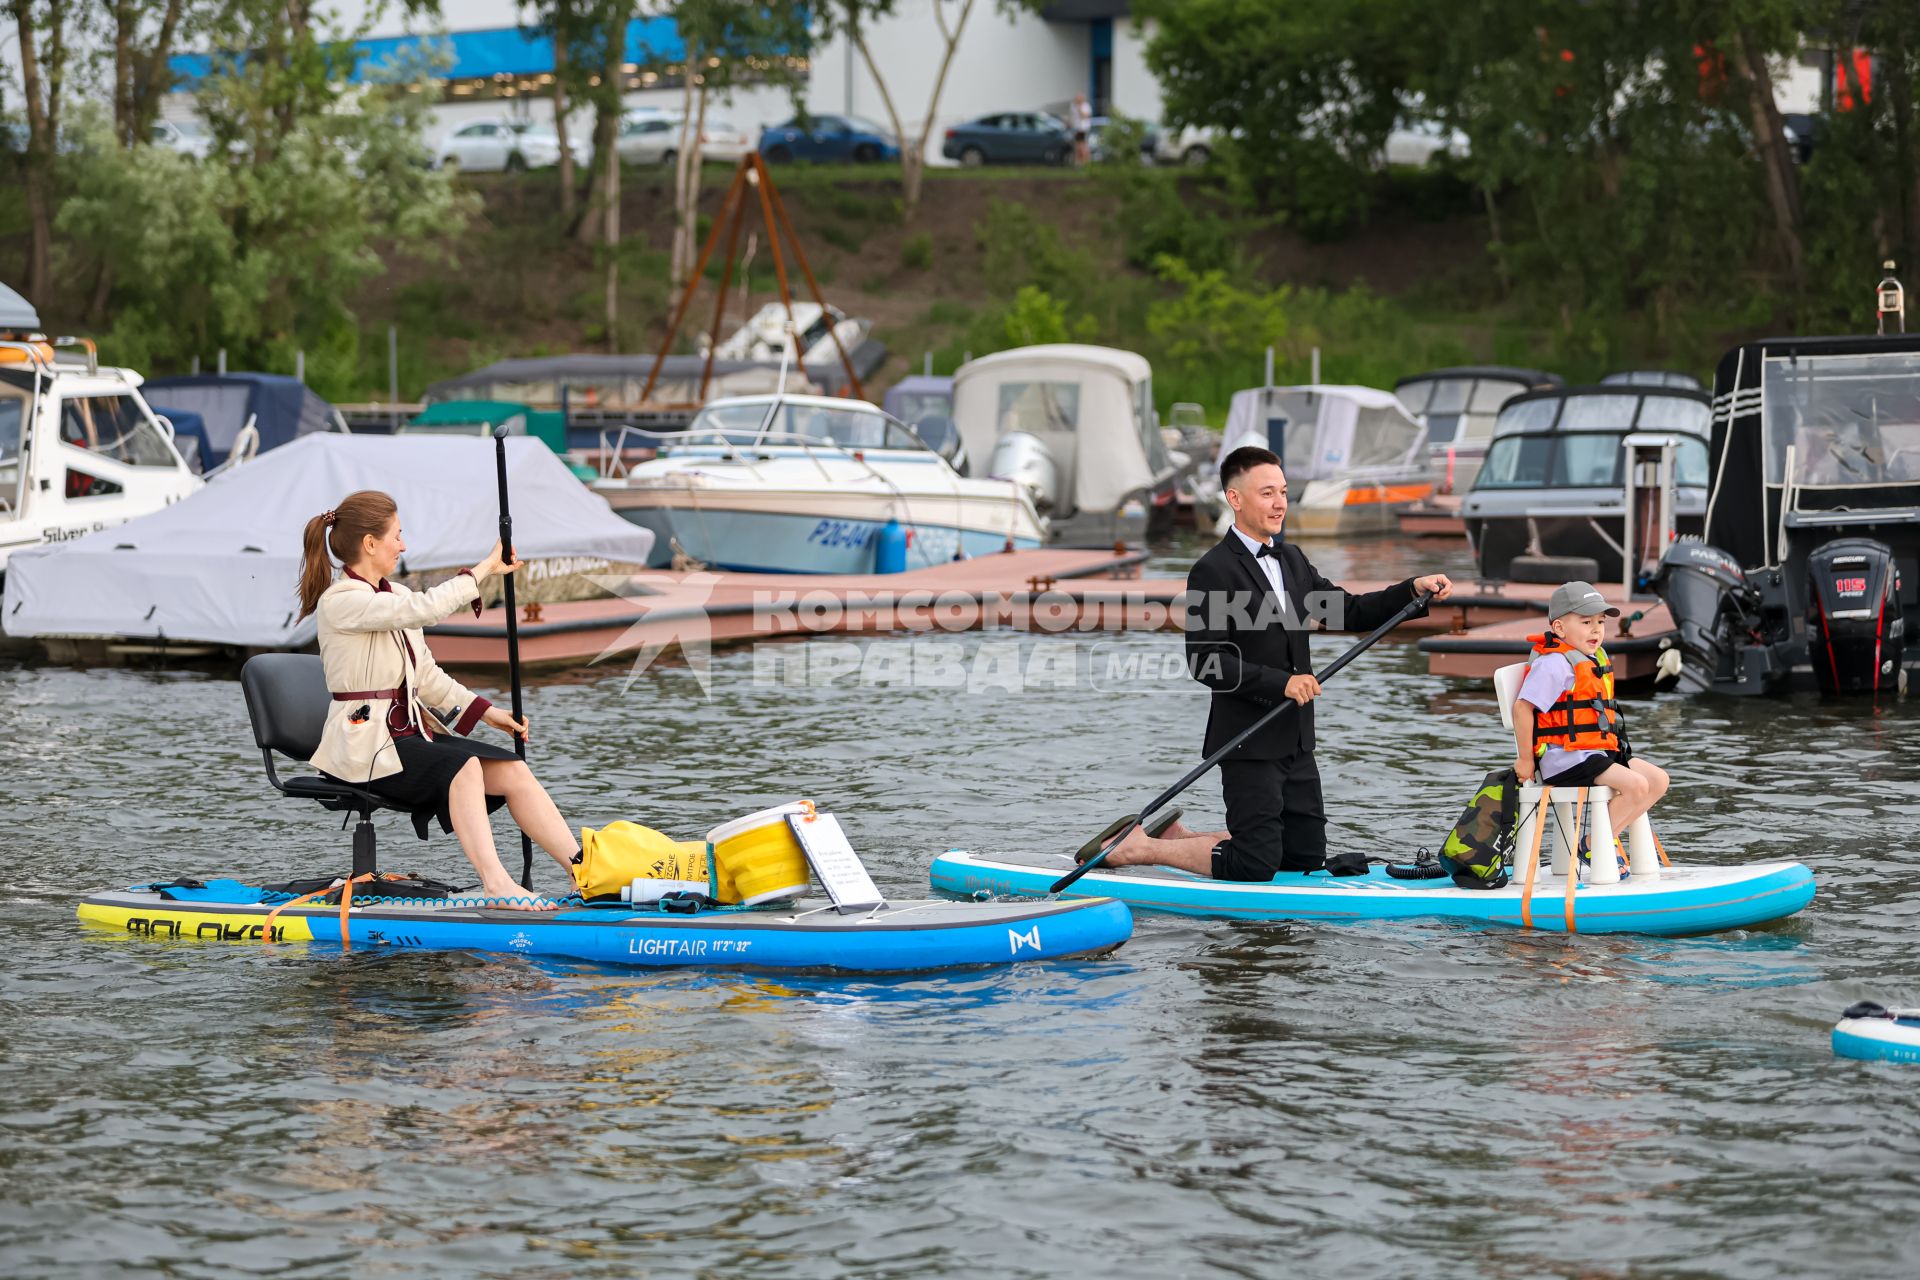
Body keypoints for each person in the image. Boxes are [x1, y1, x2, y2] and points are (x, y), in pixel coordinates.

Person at [1102, 446, 1452, 878]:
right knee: (1255, 863)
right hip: (1247, 739)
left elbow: (1351, 611)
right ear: (1235, 499)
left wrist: (1410, 590)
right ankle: (1141, 849)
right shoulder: (1212, 571)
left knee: (1302, 859)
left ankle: (1180, 836)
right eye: (1267, 493)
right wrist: (1280, 683)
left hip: (1296, 738)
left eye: (1283, 491)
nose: (1280, 503)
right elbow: (1206, 663)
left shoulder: (1292, 560)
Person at [297, 490, 581, 911]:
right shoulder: (342, 602)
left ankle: (584, 874)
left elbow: (427, 677)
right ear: (370, 544)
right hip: (363, 749)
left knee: (512, 769)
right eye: (397, 534)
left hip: (407, 737)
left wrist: (489, 714)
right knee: (462, 767)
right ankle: (496, 883)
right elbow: (425, 609)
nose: (403, 545)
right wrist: (485, 568)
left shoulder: (390, 594)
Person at [1511, 581, 1670, 879]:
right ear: (1559, 628)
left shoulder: (1593, 659)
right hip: (1565, 760)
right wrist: (1526, 760)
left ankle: (1598, 841)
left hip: (1594, 753)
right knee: (1636, 786)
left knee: (1658, 780)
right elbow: (1522, 707)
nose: (1596, 630)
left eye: (1600, 622)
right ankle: (1593, 846)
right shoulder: (1555, 664)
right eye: (1586, 622)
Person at [1071, 93, 1093, 166]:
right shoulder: (1073, 106)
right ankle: (1079, 162)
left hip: (1083, 128)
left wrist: (1079, 108)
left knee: (1083, 146)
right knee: (1077, 146)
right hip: (1077, 128)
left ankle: (1086, 162)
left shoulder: (1086, 106)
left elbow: (1084, 116)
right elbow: (1073, 117)